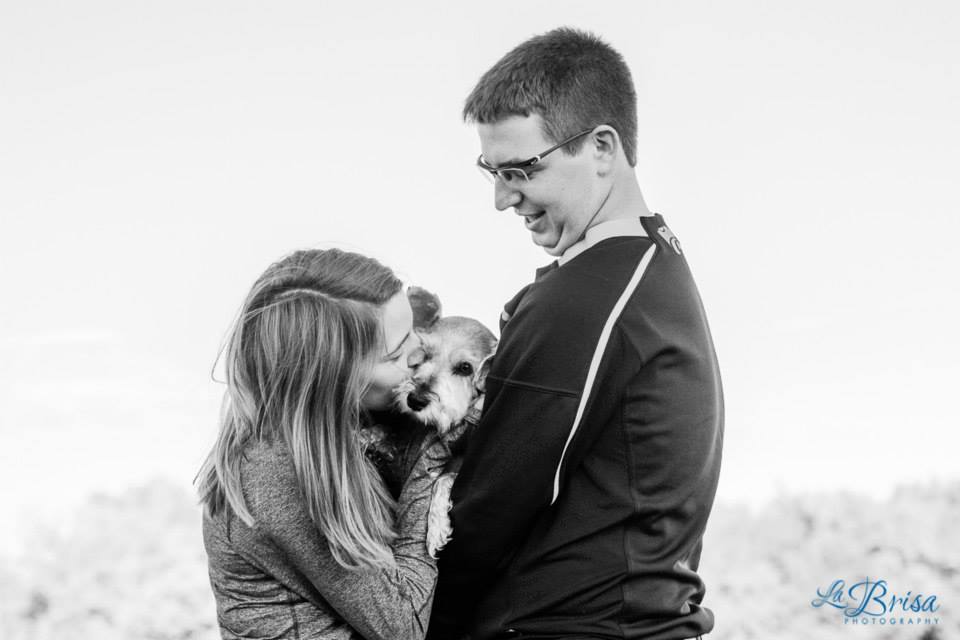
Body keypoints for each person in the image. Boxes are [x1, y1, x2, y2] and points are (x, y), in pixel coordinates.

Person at [427, 28, 724, 640]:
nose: (503, 198)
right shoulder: (649, 267)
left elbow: (488, 508)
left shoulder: (589, 296)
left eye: (521, 170)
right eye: (491, 171)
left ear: (601, 147)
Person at [196, 248, 447, 640]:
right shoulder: (277, 475)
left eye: (413, 328)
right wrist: (433, 460)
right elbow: (402, 624)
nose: (420, 352)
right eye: (397, 352)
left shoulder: (341, 439)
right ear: (333, 380)